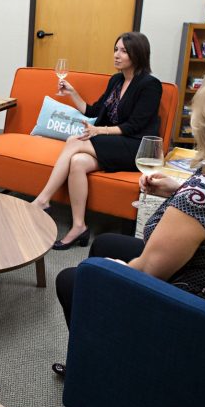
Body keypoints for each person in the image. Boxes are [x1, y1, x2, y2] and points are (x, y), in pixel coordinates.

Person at [52, 57, 205, 375]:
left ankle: (99, 372)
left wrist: (107, 271)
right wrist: (179, 188)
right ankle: (94, 345)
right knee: (108, 243)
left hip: (195, 312)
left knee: (76, 276)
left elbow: (146, 272)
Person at [32, 32, 162, 249]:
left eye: (123, 51)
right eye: (116, 49)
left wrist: (99, 131)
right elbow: (93, 110)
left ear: (138, 54)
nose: (116, 55)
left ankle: (43, 200)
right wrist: (73, 93)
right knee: (77, 162)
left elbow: (135, 126)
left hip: (135, 146)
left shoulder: (150, 85)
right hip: (114, 145)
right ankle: (79, 226)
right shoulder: (116, 80)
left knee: (74, 140)